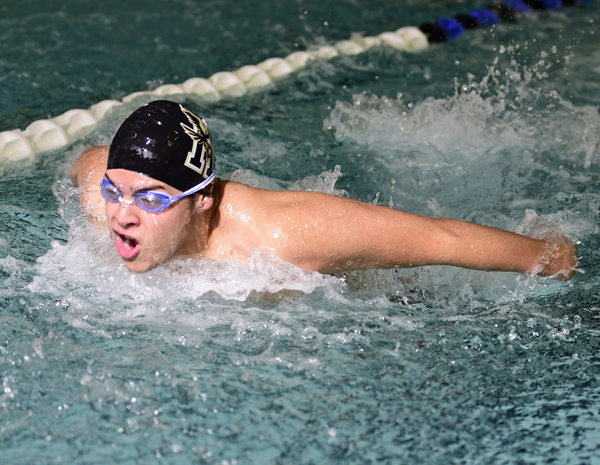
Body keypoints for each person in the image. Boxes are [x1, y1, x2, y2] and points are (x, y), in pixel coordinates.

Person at [71, 100, 578, 279]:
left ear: (202, 200)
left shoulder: (287, 235)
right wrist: (109, 181)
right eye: (117, 192)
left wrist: (553, 257)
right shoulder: (109, 198)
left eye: (154, 198)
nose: (123, 216)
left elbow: (441, 239)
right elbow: (87, 163)